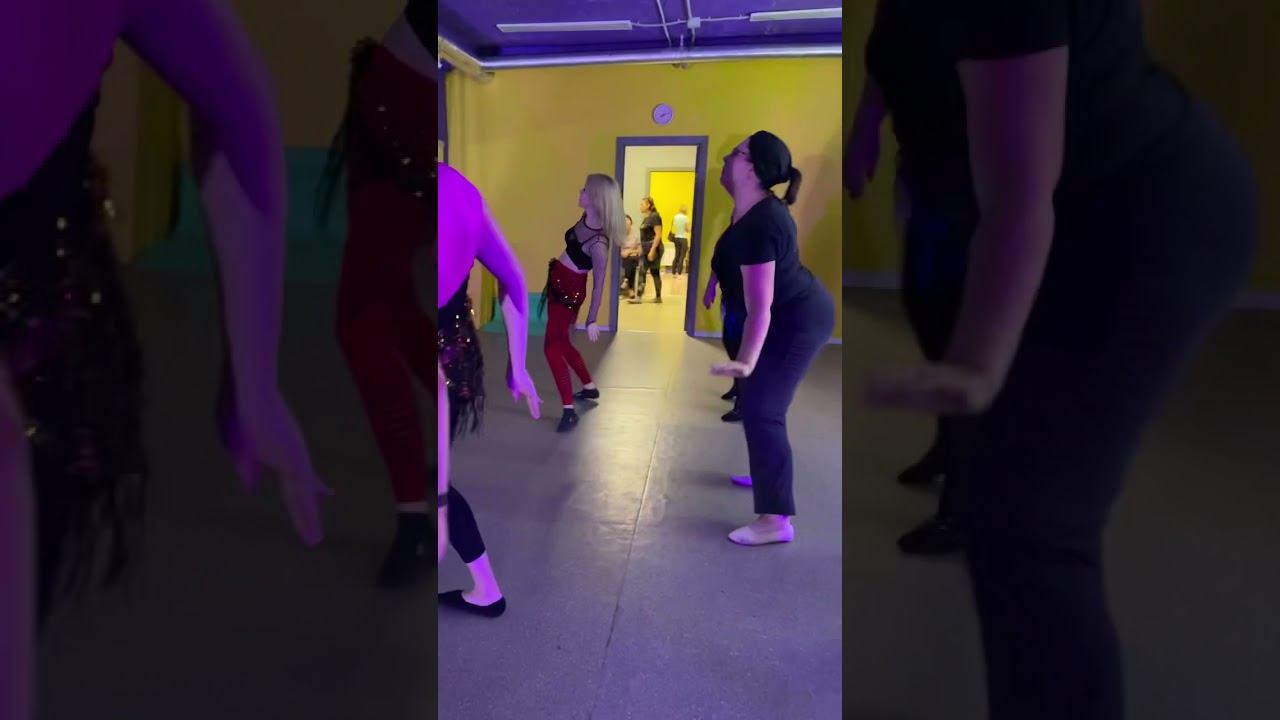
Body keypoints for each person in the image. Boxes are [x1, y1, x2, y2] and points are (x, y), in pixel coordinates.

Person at [860, 2, 1258, 718]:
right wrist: (869, 121)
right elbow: (903, 44)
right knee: (1002, 494)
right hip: (1015, 212)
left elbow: (1020, 197)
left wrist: (979, 370)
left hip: (1135, 221)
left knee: (1027, 520)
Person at [2, 0, 329, 716]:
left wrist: (254, 376)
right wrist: (253, 376)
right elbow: (239, 107)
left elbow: (239, 107)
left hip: (46, 364)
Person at [316, 3, 438, 587]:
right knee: (388, 304)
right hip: (398, 94)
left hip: (403, 101)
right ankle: (455, 428)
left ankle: (414, 517)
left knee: (364, 317)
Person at [847, 64, 963, 556]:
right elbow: (889, 52)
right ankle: (948, 446)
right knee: (928, 317)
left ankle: (963, 505)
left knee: (965, 340)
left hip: (978, 182)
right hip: (922, 178)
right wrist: (866, 124)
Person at [710, 132, 836, 546]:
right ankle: (764, 475)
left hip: (798, 319)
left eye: (735, 153)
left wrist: (746, 362)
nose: (726, 158)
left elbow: (760, 306)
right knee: (755, 400)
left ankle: (776, 521)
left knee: (764, 408)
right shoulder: (749, 211)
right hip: (781, 314)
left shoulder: (763, 222)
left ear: (752, 169)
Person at [436, 162, 540, 618]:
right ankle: (485, 587)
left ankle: (485, 587)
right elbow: (514, 280)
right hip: (456, 360)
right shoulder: (457, 187)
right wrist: (518, 365)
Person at [540, 174, 625, 433]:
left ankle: (568, 411)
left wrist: (592, 318)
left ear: (596, 199)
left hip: (569, 293)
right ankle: (589, 386)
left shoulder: (599, 244)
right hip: (558, 283)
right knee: (562, 342)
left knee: (551, 348)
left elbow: (599, 284)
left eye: (585, 190)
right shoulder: (586, 218)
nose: (580, 192)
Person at [702, 274, 744, 423]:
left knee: (741, 351)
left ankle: (743, 403)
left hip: (747, 302)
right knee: (730, 344)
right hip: (730, 300)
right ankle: (738, 386)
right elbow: (719, 263)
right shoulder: (724, 256)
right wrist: (711, 286)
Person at [630, 197, 664, 303]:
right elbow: (644, 236)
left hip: (653, 247)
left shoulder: (655, 217)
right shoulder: (646, 218)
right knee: (642, 271)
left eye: (642, 204)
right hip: (645, 248)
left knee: (653, 271)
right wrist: (641, 247)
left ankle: (657, 297)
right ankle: (639, 296)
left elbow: (658, 235)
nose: (640, 206)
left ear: (648, 205)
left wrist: (652, 250)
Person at [620, 214, 642, 299]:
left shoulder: (636, 234)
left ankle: (626, 281)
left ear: (631, 225)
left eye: (627, 225)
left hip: (632, 256)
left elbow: (639, 250)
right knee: (629, 261)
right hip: (621, 256)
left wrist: (630, 252)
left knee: (631, 260)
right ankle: (630, 290)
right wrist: (623, 252)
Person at [671, 205, 691, 275]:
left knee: (676, 255)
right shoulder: (686, 218)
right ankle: (679, 272)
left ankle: (673, 271)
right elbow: (687, 229)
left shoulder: (675, 217)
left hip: (676, 237)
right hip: (683, 238)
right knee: (682, 256)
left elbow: (674, 226)